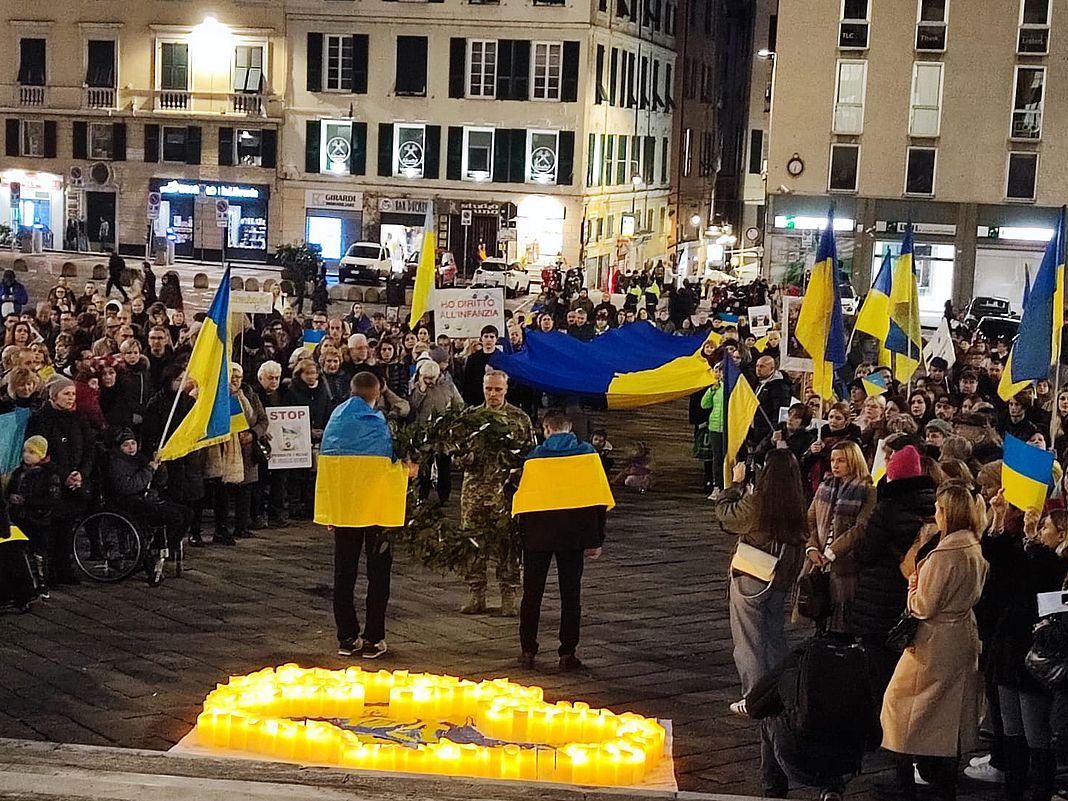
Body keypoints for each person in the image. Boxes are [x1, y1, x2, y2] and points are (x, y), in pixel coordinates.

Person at [880, 481, 989, 801]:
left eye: (940, 509)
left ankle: (906, 784)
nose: (936, 514)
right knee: (948, 714)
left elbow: (924, 605)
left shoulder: (945, 555)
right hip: (962, 635)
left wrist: (913, 587)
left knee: (901, 707)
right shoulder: (972, 545)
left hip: (934, 641)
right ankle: (944, 783)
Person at [316, 371, 417, 659]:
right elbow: (390, 466)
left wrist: (331, 509)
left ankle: (346, 637)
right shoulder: (379, 424)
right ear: (379, 392)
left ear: (351, 390)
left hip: (345, 510)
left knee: (344, 574)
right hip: (377, 510)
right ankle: (374, 637)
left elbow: (330, 467)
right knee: (378, 574)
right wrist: (408, 471)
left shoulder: (336, 420)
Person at [513, 410, 614, 672]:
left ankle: (527, 650)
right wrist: (597, 538)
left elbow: (523, 501)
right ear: (569, 430)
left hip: (538, 536)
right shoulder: (588, 456)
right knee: (571, 596)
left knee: (532, 594)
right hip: (575, 536)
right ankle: (567, 652)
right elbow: (598, 500)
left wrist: (520, 537)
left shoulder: (534, 458)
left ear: (546, 429)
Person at [715, 450, 808, 705]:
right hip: (780, 578)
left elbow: (726, 515)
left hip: (751, 576)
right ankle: (779, 691)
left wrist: (735, 484)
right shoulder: (798, 502)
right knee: (773, 635)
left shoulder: (758, 501)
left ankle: (755, 697)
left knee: (748, 639)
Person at [458, 371, 535, 616]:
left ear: (506, 390)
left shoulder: (519, 419)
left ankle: (509, 595)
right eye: (489, 389)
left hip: (506, 493)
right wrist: (463, 457)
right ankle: (476, 593)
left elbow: (530, 456)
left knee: (509, 545)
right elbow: (455, 450)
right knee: (473, 543)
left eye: (497, 390)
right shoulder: (470, 418)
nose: (492, 394)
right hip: (474, 492)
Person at [26, 376, 94, 584]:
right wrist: (65, 476)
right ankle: (53, 570)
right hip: (53, 483)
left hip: (77, 479)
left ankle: (65, 567)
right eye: (66, 393)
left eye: (73, 394)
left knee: (67, 529)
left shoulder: (78, 418)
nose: (71, 398)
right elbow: (41, 453)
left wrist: (81, 473)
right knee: (53, 531)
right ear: (54, 395)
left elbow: (89, 448)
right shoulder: (41, 419)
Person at [105, 427, 193, 585]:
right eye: (126, 445)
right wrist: (149, 469)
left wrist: (160, 467)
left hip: (148, 499)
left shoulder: (140, 458)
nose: (131, 447)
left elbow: (158, 482)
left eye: (133, 443)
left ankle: (164, 548)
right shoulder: (116, 462)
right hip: (129, 503)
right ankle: (156, 550)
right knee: (175, 517)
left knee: (187, 513)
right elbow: (128, 486)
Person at [806, 440, 876, 633]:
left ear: (853, 461)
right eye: (832, 460)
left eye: (841, 460)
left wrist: (832, 552)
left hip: (846, 562)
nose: (835, 465)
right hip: (818, 559)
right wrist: (812, 547)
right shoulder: (825, 486)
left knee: (842, 612)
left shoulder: (867, 491)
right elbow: (811, 519)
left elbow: (861, 527)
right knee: (818, 608)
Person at [410, 359, 463, 504]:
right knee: (424, 468)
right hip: (423, 434)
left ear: (438, 375)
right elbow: (413, 407)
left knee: (444, 468)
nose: (429, 381)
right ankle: (422, 496)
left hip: (443, 434)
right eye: (426, 378)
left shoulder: (449, 386)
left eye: (431, 378)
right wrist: (421, 390)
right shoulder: (417, 388)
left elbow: (459, 404)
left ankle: (444, 497)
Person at [460, 326, 499, 405]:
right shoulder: (472, 359)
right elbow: (467, 383)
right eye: (486, 336)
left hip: (497, 399)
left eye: (492, 337)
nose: (489, 340)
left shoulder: (503, 358)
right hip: (477, 400)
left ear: (496, 339)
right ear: (481, 339)